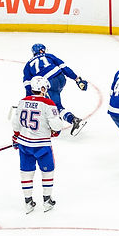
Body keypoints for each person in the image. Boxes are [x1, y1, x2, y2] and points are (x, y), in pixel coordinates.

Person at [10, 76, 70, 214]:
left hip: (24, 145)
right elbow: (56, 125)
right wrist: (56, 130)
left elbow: (15, 122)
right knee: (48, 171)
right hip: (42, 145)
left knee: (26, 172)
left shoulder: (22, 102)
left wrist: (16, 136)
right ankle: (47, 200)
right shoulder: (48, 103)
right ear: (42, 89)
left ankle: (28, 202)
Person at [21, 44, 88, 137]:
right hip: (61, 78)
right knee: (53, 100)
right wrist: (77, 79)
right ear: (41, 51)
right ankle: (56, 118)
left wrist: (29, 99)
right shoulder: (49, 56)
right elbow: (65, 68)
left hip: (48, 83)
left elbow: (27, 84)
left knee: (56, 106)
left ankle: (72, 120)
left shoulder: (28, 65)